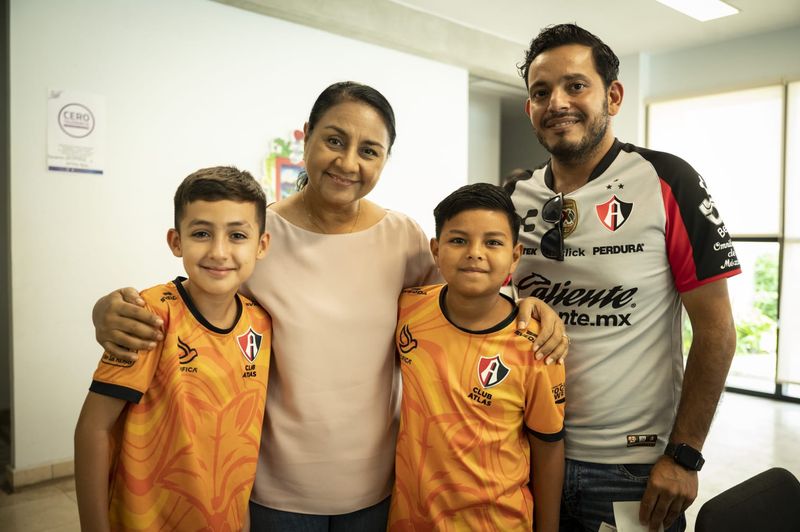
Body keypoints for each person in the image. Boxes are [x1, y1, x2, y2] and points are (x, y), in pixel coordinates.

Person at [90, 82, 570, 530]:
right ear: (307, 139)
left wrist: (527, 305)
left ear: (384, 160)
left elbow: (464, 299)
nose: (348, 162)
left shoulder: (401, 237)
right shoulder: (258, 236)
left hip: (378, 487)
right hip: (273, 488)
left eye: (369, 150)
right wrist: (105, 310)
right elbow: (195, 298)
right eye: (334, 141)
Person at [508, 23, 740, 532]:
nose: (556, 103)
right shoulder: (513, 195)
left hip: (630, 468)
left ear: (612, 95)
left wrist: (684, 455)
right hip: (524, 448)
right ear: (529, 108)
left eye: (575, 85)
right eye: (540, 92)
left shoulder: (667, 180)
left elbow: (718, 331)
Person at [74, 166, 271, 530]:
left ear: (261, 245)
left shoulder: (261, 323)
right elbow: (93, 429)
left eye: (237, 235)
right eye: (201, 233)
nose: (219, 251)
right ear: (176, 241)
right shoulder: (147, 317)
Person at [389, 183, 565, 531]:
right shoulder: (408, 307)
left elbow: (548, 449)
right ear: (436, 250)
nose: (475, 253)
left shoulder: (536, 345)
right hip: (411, 520)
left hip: (498, 522)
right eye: (458, 240)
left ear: (515, 256)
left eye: (493, 242)